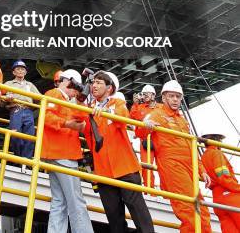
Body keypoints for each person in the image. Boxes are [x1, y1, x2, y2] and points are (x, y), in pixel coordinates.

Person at [86, 71, 154, 233]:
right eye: (93, 82)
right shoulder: (88, 108)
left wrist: (106, 112)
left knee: (139, 213)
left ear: (109, 88)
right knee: (114, 217)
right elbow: (79, 121)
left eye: (99, 82)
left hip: (125, 168)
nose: (94, 85)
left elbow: (122, 114)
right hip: (103, 172)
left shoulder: (117, 103)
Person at [144, 80, 212, 233]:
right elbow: (140, 131)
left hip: (189, 167)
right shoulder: (156, 114)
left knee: (203, 212)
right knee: (188, 211)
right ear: (164, 98)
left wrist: (202, 170)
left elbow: (191, 147)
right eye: (172, 96)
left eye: (178, 97)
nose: (175, 100)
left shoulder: (182, 120)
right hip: (172, 166)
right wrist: (146, 124)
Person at [41, 69, 94, 233]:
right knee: (75, 201)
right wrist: (67, 124)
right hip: (62, 154)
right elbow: (47, 117)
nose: (75, 91)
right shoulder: (55, 94)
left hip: (57, 154)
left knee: (59, 201)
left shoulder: (69, 100)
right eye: (75, 87)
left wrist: (81, 99)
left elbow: (83, 117)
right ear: (66, 82)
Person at [200, 131, 240, 232]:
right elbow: (223, 177)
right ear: (216, 139)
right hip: (230, 195)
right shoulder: (216, 153)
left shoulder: (203, 157)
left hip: (217, 199)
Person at [4, 60, 40, 167]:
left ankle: (26, 162)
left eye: (22, 69)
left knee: (29, 136)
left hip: (28, 111)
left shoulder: (30, 85)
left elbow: (40, 98)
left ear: (25, 72)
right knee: (15, 135)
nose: (20, 71)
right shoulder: (8, 84)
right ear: (13, 72)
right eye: (18, 69)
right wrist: (7, 99)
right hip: (16, 109)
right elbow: (0, 101)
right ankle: (18, 159)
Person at [129, 84, 159, 187]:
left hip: (160, 140)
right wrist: (135, 104)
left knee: (165, 167)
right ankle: (149, 192)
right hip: (146, 141)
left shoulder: (160, 108)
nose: (145, 96)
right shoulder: (140, 107)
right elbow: (133, 117)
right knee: (147, 167)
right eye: (144, 94)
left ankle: (167, 194)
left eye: (147, 94)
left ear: (153, 95)